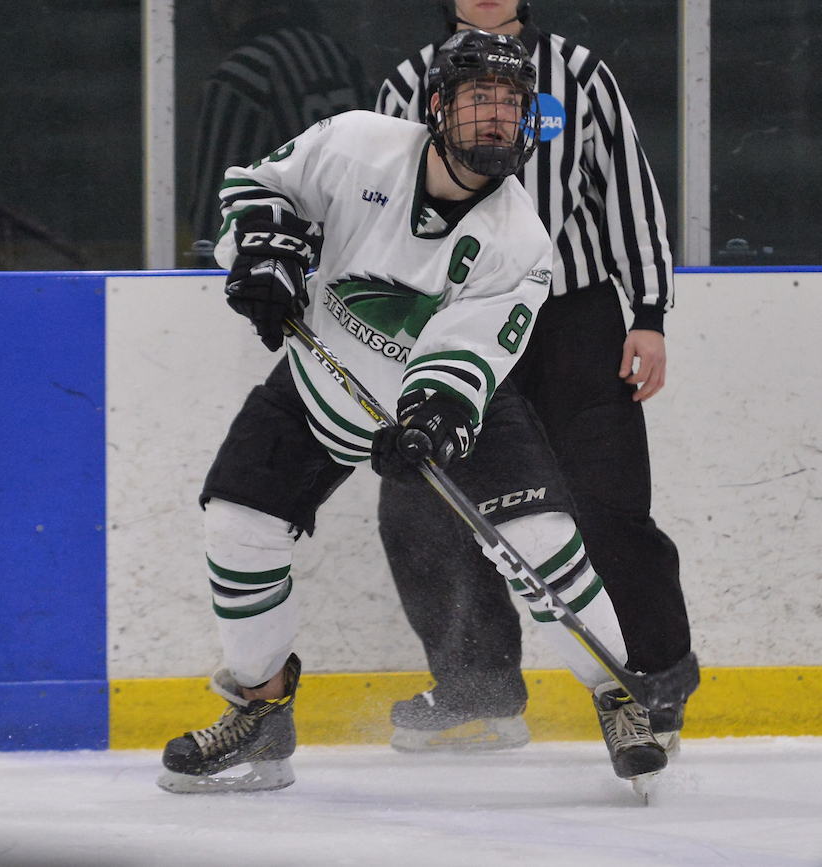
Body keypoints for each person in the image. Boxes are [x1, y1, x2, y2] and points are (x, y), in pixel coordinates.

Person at [158, 30, 645, 795]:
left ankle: (620, 693)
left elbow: (467, 355)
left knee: (538, 543)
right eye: (479, 96)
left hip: (453, 403)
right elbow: (258, 187)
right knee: (237, 525)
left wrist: (432, 417)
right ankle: (260, 710)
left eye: (511, 101)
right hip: (321, 378)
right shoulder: (357, 144)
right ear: (437, 107)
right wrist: (261, 251)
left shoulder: (519, 239)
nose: (497, 114)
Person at [372, 0, 697, 780]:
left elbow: (626, 192)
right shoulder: (407, 83)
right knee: (429, 506)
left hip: (571, 323)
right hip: (457, 326)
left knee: (606, 503)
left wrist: (648, 312)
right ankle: (476, 690)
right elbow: (376, 210)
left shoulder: (579, 74)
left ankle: (651, 682)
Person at [185, 0, 365, 265]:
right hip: (357, 261)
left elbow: (211, 217)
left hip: (279, 269)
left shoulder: (238, 77)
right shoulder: (340, 57)